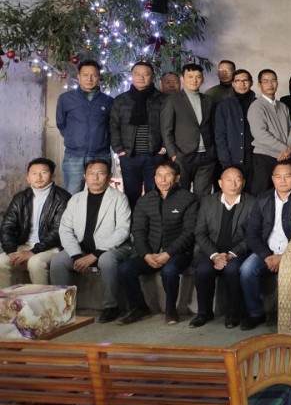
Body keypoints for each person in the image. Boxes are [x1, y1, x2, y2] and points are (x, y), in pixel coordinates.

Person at [49, 159, 131, 324]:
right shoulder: (76, 199)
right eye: (91, 173)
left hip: (113, 248)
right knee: (58, 261)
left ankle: (111, 306)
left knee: (107, 260)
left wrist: (95, 254)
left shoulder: (119, 198)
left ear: (109, 178)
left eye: (101, 173)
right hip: (81, 249)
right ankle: (64, 307)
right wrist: (77, 255)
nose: (96, 177)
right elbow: (65, 230)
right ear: (84, 176)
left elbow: (123, 230)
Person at [116, 161, 199, 325]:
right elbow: (138, 231)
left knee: (169, 271)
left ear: (177, 178)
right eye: (159, 175)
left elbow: (189, 232)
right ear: (154, 178)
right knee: (125, 269)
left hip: (178, 253)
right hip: (151, 252)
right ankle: (139, 308)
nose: (163, 179)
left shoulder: (188, 199)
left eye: (168, 175)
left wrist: (168, 253)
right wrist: (146, 254)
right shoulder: (145, 200)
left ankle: (171, 309)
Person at [241, 161, 291, 330]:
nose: (283, 181)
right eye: (278, 176)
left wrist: (284, 257)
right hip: (266, 252)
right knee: (246, 270)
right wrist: (265, 255)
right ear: (272, 179)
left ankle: (287, 317)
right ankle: (256, 313)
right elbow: (252, 234)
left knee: (289, 273)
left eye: (287, 176)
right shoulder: (263, 199)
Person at [189, 165, 257, 329]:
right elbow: (200, 232)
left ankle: (233, 313)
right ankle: (204, 313)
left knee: (232, 270)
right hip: (211, 252)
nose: (233, 184)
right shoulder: (208, 201)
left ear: (243, 182)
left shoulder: (252, 203)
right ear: (220, 183)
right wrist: (214, 255)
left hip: (238, 252)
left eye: (237, 180)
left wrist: (232, 253)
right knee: (203, 271)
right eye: (229, 180)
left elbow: (252, 235)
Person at [0, 158, 71, 288]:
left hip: (53, 247)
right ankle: (6, 304)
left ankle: (43, 304)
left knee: (35, 262)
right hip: (24, 245)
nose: (38, 177)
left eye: (43, 172)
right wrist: (10, 251)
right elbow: (7, 226)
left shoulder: (63, 198)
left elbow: (57, 231)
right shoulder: (20, 198)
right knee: (1, 261)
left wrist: (33, 251)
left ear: (52, 175)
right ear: (28, 178)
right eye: (34, 173)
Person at [110, 61, 167, 209]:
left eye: (146, 74)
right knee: (131, 194)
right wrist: (119, 150)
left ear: (152, 76)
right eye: (137, 74)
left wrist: (164, 149)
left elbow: (170, 125)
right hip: (129, 156)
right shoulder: (121, 100)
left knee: (154, 194)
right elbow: (113, 126)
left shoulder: (162, 99)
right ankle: (133, 228)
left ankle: (152, 228)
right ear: (131, 76)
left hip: (154, 155)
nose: (141, 77)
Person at [56, 60, 113, 193]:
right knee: (73, 194)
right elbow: (61, 123)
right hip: (74, 155)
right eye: (85, 75)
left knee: (101, 193)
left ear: (99, 77)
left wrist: (102, 141)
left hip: (101, 155)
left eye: (93, 75)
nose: (89, 78)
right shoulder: (66, 99)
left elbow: (111, 126)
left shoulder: (108, 101)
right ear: (79, 77)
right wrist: (74, 139)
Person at [161, 63, 217, 197]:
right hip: (183, 155)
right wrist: (173, 154)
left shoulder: (208, 100)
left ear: (202, 79)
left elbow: (213, 127)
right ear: (182, 78)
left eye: (198, 77)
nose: (194, 80)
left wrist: (213, 151)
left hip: (206, 156)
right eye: (190, 76)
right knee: (181, 194)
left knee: (203, 195)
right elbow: (166, 129)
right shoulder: (172, 100)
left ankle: (200, 218)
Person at [247, 69, 291, 196]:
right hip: (264, 157)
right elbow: (260, 134)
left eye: (273, 80)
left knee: (282, 194)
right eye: (265, 81)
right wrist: (284, 148)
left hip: (284, 157)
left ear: (277, 83)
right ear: (259, 85)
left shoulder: (283, 106)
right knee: (262, 194)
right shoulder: (256, 106)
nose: (270, 84)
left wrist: (288, 148)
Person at [214, 69, 256, 184]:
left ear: (251, 83)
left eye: (245, 80)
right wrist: (225, 161)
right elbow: (220, 135)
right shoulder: (224, 105)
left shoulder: (258, 104)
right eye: (237, 81)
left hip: (255, 157)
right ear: (233, 84)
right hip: (233, 156)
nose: (242, 84)